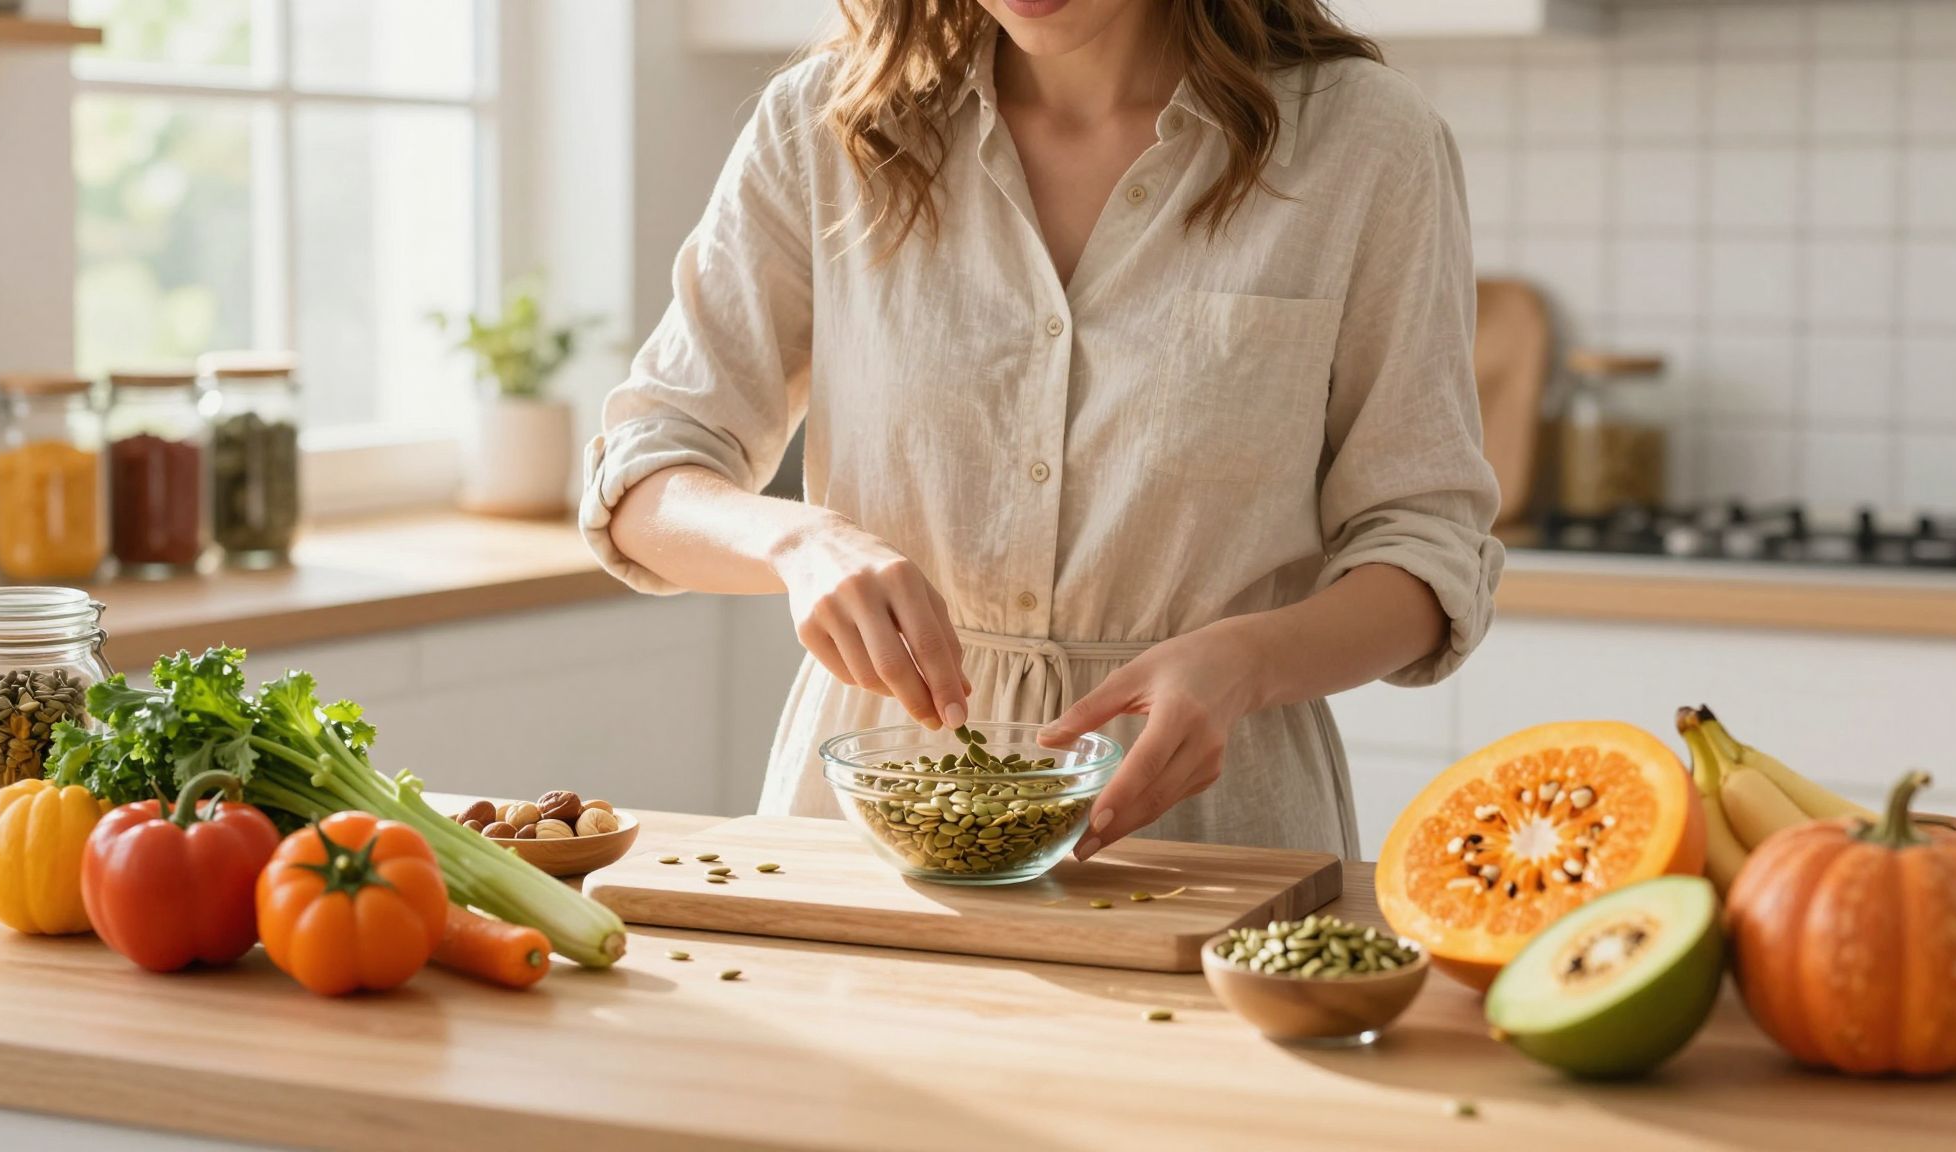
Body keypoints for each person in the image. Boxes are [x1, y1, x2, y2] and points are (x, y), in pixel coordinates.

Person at [582, 0, 1503, 862]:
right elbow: (648, 471)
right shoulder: (823, 125)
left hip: (1212, 826)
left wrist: (1246, 663)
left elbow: (1424, 546)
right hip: (872, 831)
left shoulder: (1365, 141)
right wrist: (797, 542)